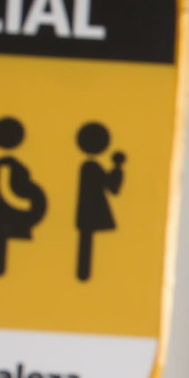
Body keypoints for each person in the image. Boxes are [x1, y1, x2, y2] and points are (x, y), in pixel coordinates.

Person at [0, 116, 48, 275]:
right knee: (0, 245)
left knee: (0, 247)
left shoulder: (7, 164)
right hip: (3, 215)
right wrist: (28, 208)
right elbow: (6, 192)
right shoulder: (4, 165)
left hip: (5, 214)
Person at [73, 120, 125, 281]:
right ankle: (83, 275)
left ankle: (83, 274)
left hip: (87, 214)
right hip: (92, 212)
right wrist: (118, 168)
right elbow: (112, 187)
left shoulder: (87, 166)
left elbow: (111, 187)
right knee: (85, 245)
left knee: (85, 243)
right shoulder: (91, 167)